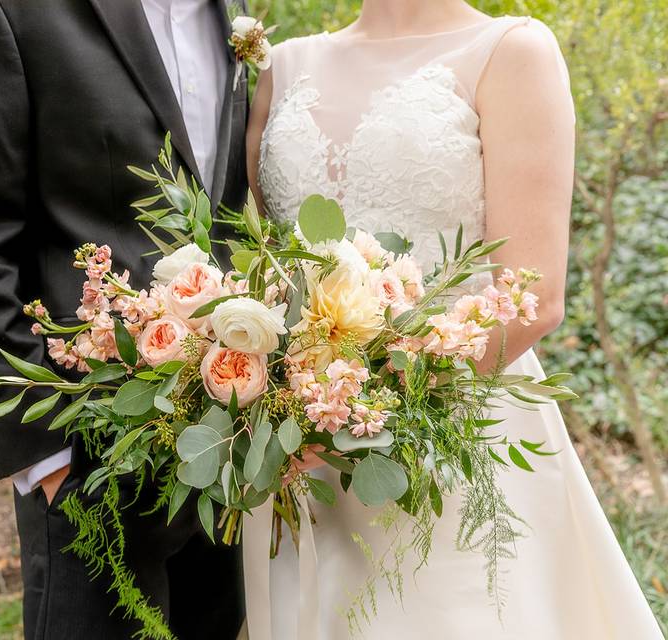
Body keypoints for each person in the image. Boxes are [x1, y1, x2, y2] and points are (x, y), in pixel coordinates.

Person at [243, 0, 665, 638]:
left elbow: (532, 293)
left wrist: (365, 410)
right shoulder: (284, 65)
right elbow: (261, 263)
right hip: (300, 456)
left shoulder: (510, 51)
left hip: (455, 440)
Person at [0, 1, 248, 638]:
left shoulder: (226, 10)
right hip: (88, 461)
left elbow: (225, 207)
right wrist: (48, 462)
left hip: (226, 452)